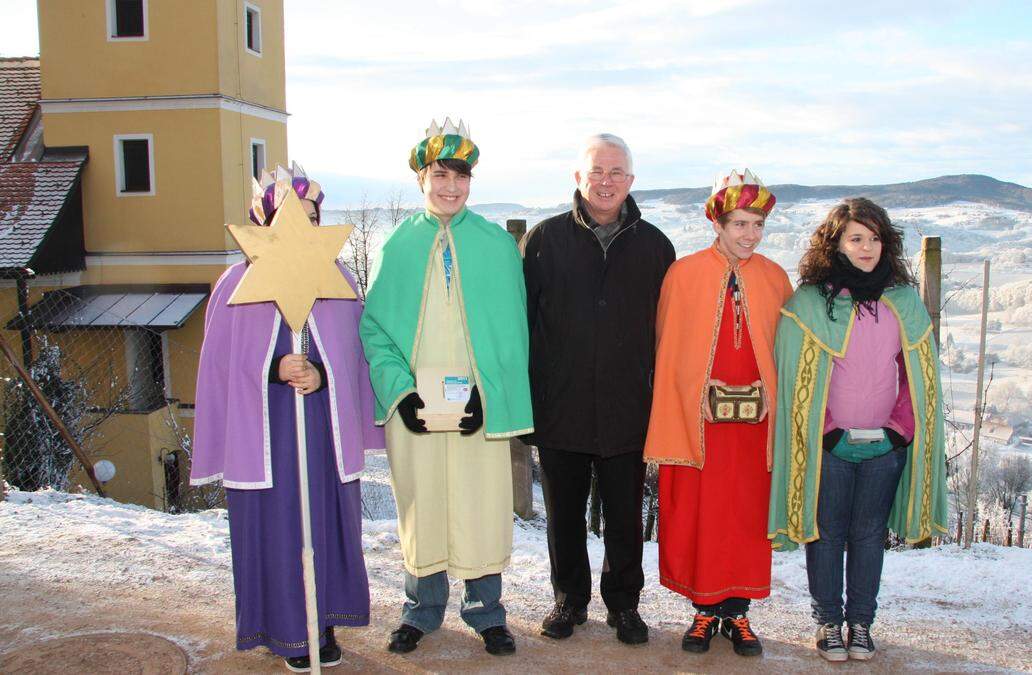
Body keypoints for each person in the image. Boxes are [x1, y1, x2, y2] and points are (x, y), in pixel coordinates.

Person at [191, 163, 382, 672]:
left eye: (312, 218)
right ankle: (288, 633)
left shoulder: (337, 279)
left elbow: (351, 351)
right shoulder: (236, 283)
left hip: (320, 427)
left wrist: (321, 372)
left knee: (321, 522)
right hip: (266, 432)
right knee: (279, 527)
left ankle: (325, 623)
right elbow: (219, 365)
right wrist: (272, 368)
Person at [360, 118, 532, 657]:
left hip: (477, 403)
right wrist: (400, 394)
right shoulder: (398, 244)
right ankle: (420, 610)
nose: (450, 186)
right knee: (423, 502)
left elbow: (513, 333)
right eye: (440, 174)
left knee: (481, 505)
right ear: (421, 177)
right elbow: (375, 329)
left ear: (470, 181)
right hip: (416, 403)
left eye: (460, 176)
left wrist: (492, 394)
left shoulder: (495, 246)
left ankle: (487, 613)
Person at [768, 197, 948, 662]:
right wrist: (826, 432)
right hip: (828, 446)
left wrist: (897, 432)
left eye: (874, 238)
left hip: (884, 448)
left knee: (868, 535)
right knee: (826, 533)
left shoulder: (903, 303)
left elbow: (917, 379)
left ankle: (861, 624)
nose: (867, 247)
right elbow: (797, 381)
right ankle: (828, 621)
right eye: (856, 238)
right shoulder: (809, 304)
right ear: (836, 243)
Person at [523, 133, 675, 645]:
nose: (606, 182)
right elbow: (521, 326)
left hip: (628, 407)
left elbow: (667, 333)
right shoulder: (544, 241)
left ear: (631, 181)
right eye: (597, 172)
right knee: (563, 515)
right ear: (578, 178)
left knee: (625, 517)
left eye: (616, 173)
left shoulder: (655, 246)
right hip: (560, 405)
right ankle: (568, 601)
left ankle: (625, 605)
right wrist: (528, 398)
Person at [645, 170, 792, 656]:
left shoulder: (774, 277)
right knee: (704, 515)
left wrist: (771, 393)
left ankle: (739, 614)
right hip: (701, 424)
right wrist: (693, 392)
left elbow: (785, 353)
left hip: (755, 428)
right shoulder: (683, 273)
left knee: (746, 517)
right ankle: (705, 612)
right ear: (718, 224)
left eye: (757, 225)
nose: (749, 235)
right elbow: (668, 348)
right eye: (740, 225)